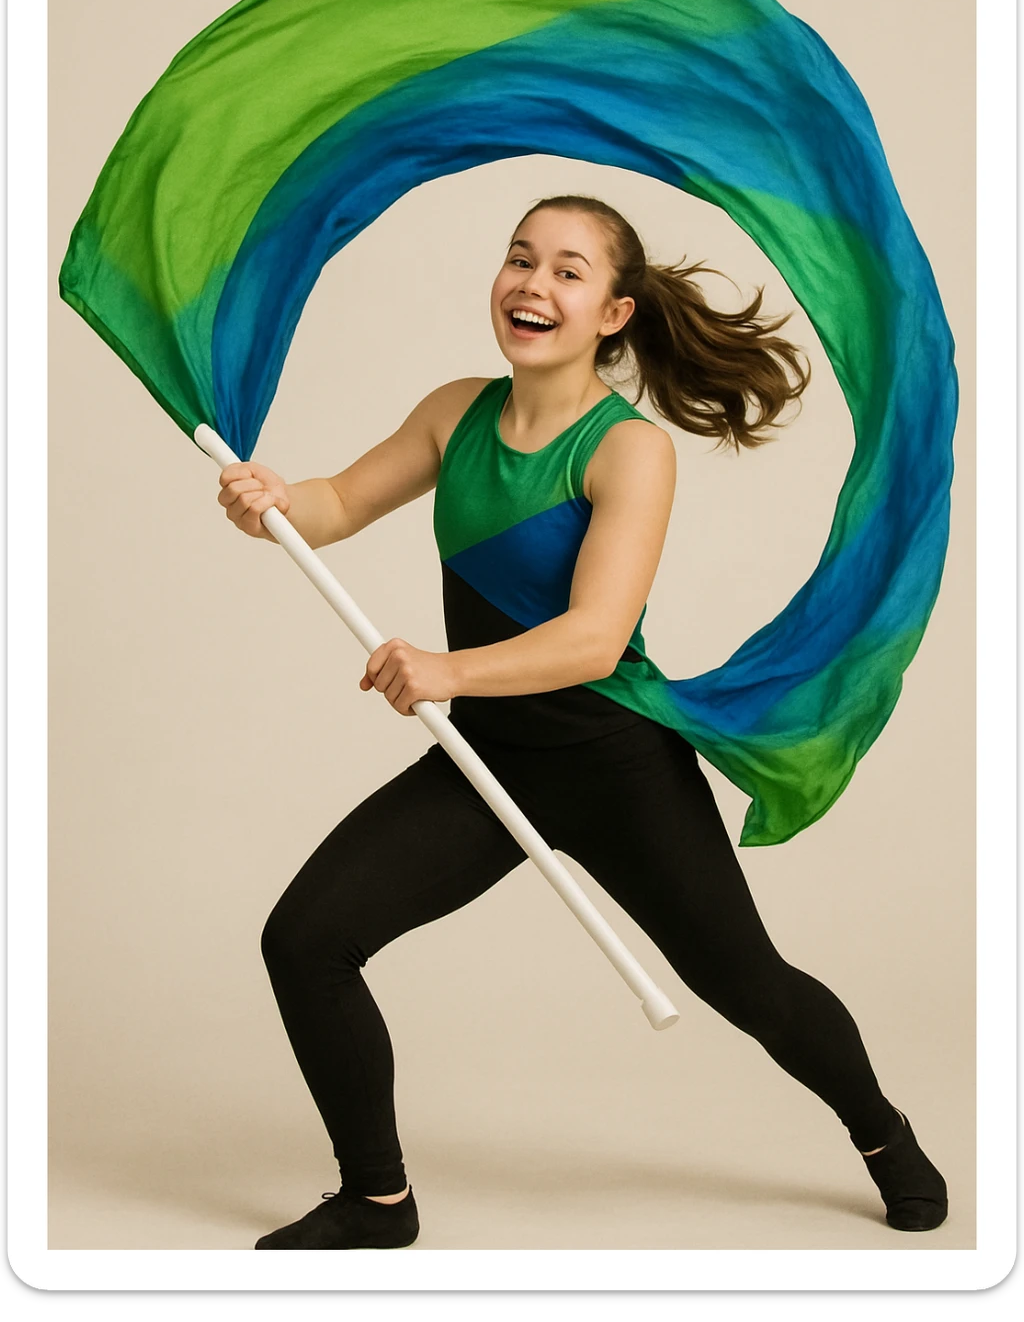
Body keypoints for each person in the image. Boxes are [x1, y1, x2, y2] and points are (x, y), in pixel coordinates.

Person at [218, 195, 948, 1250]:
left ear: (613, 312)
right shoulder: (452, 411)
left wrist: (443, 666)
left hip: (613, 764)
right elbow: (332, 503)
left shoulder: (626, 451)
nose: (532, 283)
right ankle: (377, 1200)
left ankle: (881, 1133)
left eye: (567, 270)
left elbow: (593, 642)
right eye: (520, 258)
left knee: (754, 991)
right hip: (489, 760)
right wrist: (271, 502)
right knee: (306, 940)